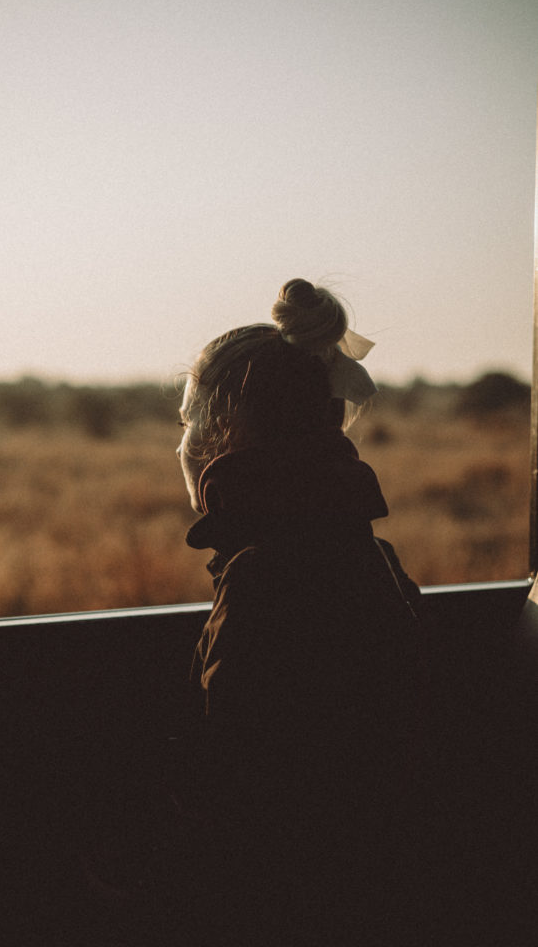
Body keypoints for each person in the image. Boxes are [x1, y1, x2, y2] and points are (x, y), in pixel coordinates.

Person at [171, 278, 428, 945]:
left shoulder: (265, 576)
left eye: (187, 421)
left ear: (224, 434)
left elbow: (242, 802)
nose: (182, 443)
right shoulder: (360, 552)